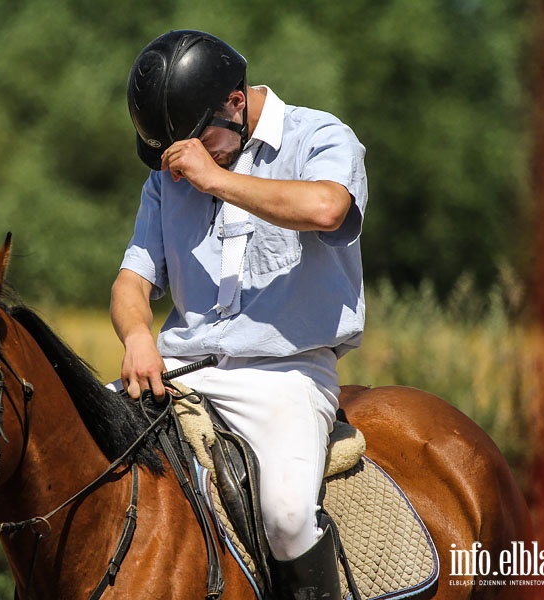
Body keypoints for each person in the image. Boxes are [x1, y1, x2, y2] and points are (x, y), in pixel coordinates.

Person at [110, 30, 367, 598]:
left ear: (235, 100)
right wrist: (136, 336)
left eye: (198, 143)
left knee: (287, 517)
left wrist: (217, 178)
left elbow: (328, 208)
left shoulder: (319, 135)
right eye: (173, 154)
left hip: (288, 374)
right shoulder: (169, 172)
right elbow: (132, 281)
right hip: (181, 368)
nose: (182, 165)